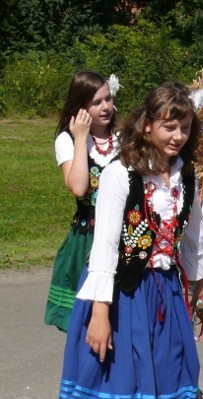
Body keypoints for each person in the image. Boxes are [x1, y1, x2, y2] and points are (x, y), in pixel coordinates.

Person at [54, 83, 203, 399]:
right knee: (130, 382)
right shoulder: (120, 174)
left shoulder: (188, 175)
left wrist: (199, 281)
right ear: (146, 126)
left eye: (183, 127)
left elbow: (192, 235)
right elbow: (104, 245)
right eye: (168, 126)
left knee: (166, 372)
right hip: (124, 291)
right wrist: (101, 314)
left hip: (165, 289)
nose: (177, 135)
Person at [44, 71, 119, 332]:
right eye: (96, 102)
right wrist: (80, 138)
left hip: (124, 237)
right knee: (87, 325)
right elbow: (78, 187)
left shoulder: (123, 138)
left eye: (108, 99)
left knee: (122, 319)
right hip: (88, 238)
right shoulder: (67, 140)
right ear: (80, 106)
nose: (105, 107)